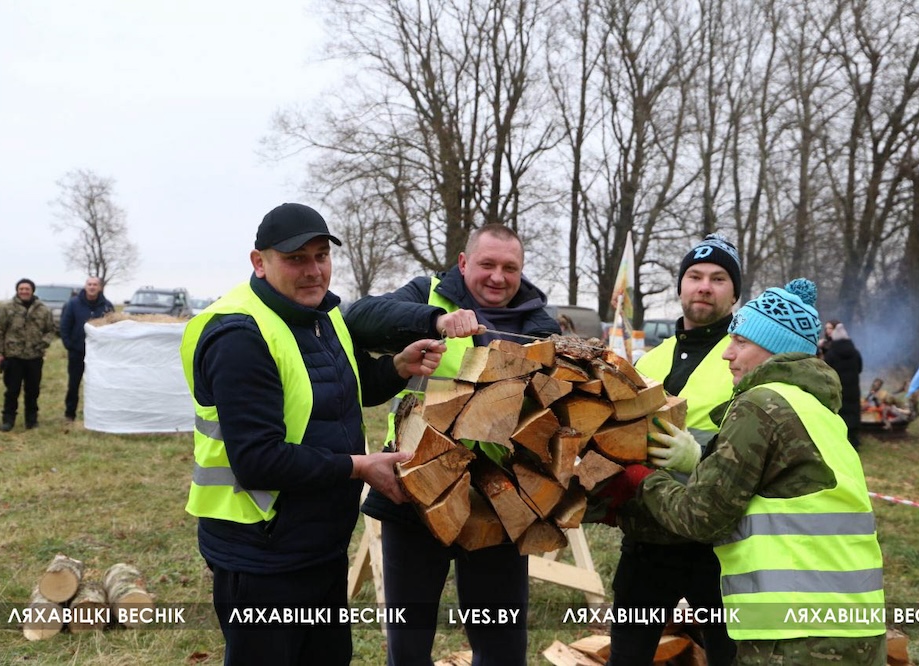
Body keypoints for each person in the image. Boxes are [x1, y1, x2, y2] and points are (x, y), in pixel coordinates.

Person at [180, 203, 446, 666]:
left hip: (317, 543)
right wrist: (360, 468)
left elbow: (340, 393)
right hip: (260, 550)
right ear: (259, 262)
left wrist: (397, 368)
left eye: (321, 256)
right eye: (296, 259)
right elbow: (258, 460)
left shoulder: (323, 317)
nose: (313, 271)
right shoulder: (239, 335)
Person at [627, 279, 886, 664]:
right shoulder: (817, 409)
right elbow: (781, 493)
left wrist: (642, 482)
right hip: (855, 624)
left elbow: (701, 518)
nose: (727, 354)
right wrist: (700, 460)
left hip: (792, 632)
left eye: (741, 343)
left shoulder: (760, 404)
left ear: (775, 349)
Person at [343, 223, 561, 666]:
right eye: (487, 264)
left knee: (501, 648)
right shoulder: (428, 294)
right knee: (409, 645)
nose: (498, 277)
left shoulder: (540, 326)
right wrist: (435, 321)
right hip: (416, 493)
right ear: (463, 264)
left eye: (509, 267)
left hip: (499, 502)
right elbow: (359, 318)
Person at [593, 234, 741, 665]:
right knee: (629, 657)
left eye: (718, 278)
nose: (704, 286)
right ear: (680, 287)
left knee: (728, 657)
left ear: (734, 292)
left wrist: (701, 455)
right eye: (694, 276)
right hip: (649, 537)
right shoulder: (650, 360)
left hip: (717, 543)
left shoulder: (743, 358)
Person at [0, 278, 55, 431]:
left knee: (33, 391)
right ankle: (8, 420)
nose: (24, 291)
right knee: (12, 391)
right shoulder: (6, 308)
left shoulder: (43, 309)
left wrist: (43, 343)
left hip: (34, 356)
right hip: (13, 356)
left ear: (32, 290)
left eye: (27, 289)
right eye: (21, 289)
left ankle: (31, 421)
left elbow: (51, 330)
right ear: (17, 290)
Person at [59, 276, 115, 421]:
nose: (92, 287)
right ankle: (70, 414)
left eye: (95, 285)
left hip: (98, 354)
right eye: (89, 284)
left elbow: (113, 329)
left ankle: (97, 413)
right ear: (85, 286)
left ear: (100, 287)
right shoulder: (73, 304)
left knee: (99, 383)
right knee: (74, 383)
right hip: (77, 352)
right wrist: (69, 345)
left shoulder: (107, 306)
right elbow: (64, 326)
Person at [823, 322, 863, 448]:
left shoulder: (831, 353)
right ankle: (855, 440)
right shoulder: (855, 352)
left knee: (841, 411)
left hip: (838, 387)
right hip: (853, 387)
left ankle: (841, 440)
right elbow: (860, 368)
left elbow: (827, 370)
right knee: (854, 410)